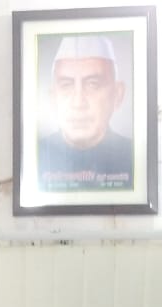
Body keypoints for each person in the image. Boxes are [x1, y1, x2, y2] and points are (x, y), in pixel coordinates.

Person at [37, 34, 133, 191]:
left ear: (117, 95)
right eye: (66, 85)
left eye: (93, 84)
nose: (78, 103)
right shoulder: (36, 155)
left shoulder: (134, 157)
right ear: (53, 98)